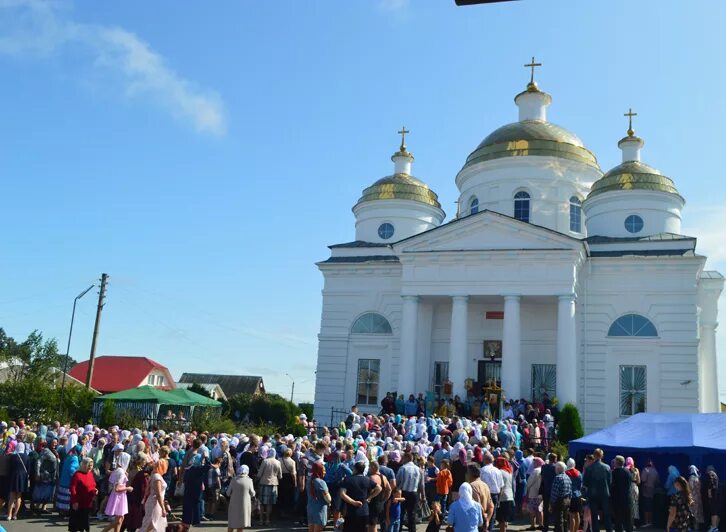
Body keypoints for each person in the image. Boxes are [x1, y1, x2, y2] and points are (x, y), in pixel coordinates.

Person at [340, 461, 382, 532]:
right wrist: (369, 498)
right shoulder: (367, 479)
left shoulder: (348, 479)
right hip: (364, 511)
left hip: (350, 512)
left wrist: (353, 502)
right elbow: (379, 488)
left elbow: (342, 494)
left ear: (355, 469)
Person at [102, 452, 133, 532]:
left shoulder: (117, 470)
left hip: (117, 496)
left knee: (120, 519)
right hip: (119, 496)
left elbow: (112, 483)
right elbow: (117, 488)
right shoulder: (121, 472)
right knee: (118, 519)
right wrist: (127, 488)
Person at [582, 448, 611, 532]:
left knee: (594, 516)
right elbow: (610, 482)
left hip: (593, 494)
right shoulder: (607, 467)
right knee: (606, 515)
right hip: (604, 494)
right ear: (602, 456)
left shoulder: (589, 468)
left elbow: (585, 483)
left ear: (594, 456)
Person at [68, 457, 97, 532]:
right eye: (88, 465)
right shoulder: (77, 475)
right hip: (78, 503)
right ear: (84, 465)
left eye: (91, 465)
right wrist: (75, 501)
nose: (90, 467)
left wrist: (95, 490)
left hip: (87, 502)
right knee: (76, 524)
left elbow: (92, 484)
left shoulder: (90, 474)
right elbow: (72, 488)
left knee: (85, 522)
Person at [396, 452, 421, 532]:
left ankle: (398, 529)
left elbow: (397, 481)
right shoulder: (418, 469)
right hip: (414, 493)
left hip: (403, 493)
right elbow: (421, 484)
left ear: (407, 458)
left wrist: (396, 490)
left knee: (401, 513)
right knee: (412, 514)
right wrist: (422, 496)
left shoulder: (403, 468)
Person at [140, 457, 168, 532]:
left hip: (155, 502)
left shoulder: (155, 475)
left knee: (153, 523)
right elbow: (158, 494)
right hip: (155, 503)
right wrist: (163, 508)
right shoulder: (157, 477)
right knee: (151, 523)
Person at [257, 447, 282, 526]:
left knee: (261, 503)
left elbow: (259, 474)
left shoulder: (265, 461)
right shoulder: (278, 462)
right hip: (273, 484)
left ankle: (261, 520)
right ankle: (267, 520)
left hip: (263, 483)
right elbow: (280, 476)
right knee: (269, 504)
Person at [227, 464, 255, 532]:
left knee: (231, 523)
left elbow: (228, 493)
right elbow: (252, 493)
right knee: (240, 525)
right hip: (244, 505)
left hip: (233, 505)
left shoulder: (234, 480)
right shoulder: (249, 480)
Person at [31, 440, 57, 514]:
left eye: (56, 443)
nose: (55, 444)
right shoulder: (46, 451)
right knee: (42, 493)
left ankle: (43, 508)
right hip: (45, 475)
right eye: (53, 443)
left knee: (48, 493)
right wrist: (38, 474)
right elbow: (38, 462)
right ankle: (36, 508)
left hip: (51, 476)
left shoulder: (54, 451)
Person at [479, 453, 503, 532]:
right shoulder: (498, 471)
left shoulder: (482, 470)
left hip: (484, 495)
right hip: (495, 495)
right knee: (492, 516)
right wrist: (499, 499)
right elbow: (501, 486)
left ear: (485, 460)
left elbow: (479, 484)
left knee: (483, 515)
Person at [122, 457, 148, 532]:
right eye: (144, 460)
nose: (145, 462)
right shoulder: (137, 472)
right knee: (132, 516)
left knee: (130, 516)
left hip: (133, 496)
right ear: (140, 461)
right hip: (134, 496)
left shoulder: (137, 471)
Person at [467, 463, 494, 531]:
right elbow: (491, 506)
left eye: (467, 472)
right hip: (483, 520)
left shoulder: (471, 486)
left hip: (475, 522)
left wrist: (484, 520)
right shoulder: (485, 485)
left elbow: (477, 506)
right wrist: (487, 520)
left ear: (470, 473)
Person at [57, 444, 81, 516]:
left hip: (63, 479)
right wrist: (76, 476)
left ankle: (61, 511)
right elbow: (72, 469)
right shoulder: (75, 458)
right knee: (67, 497)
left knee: (63, 496)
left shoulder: (68, 456)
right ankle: (66, 512)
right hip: (69, 481)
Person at [610, 456, 633, 532]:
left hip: (617, 500)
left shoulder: (614, 473)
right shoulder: (628, 472)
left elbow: (611, 485)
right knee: (628, 520)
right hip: (627, 498)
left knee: (618, 521)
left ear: (616, 463)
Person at [307, 461, 331, 532]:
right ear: (319, 470)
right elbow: (328, 499)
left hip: (310, 507)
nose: (325, 472)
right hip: (320, 509)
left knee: (311, 528)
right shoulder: (321, 482)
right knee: (318, 528)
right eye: (323, 470)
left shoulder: (309, 480)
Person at [549, 462, 572, 532]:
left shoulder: (557, 478)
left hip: (559, 501)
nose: (555, 470)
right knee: (565, 520)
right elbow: (570, 490)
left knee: (559, 521)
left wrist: (551, 504)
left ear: (558, 469)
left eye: (555, 468)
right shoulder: (568, 477)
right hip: (567, 500)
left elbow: (554, 492)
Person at [494, 456, 514, 532]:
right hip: (509, 496)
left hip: (502, 497)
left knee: (502, 519)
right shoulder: (508, 471)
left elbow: (500, 486)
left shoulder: (500, 472)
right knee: (505, 519)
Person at [638, 459, 659, 528]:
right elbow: (657, 482)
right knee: (650, 506)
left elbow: (643, 480)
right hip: (652, 491)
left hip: (646, 490)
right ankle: (651, 521)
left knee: (646, 506)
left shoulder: (645, 470)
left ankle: (647, 522)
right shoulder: (655, 471)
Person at [525, 457, 544, 531]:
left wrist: (527, 489)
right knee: (540, 509)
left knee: (532, 509)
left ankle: (532, 525)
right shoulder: (543, 469)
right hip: (540, 493)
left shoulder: (535, 470)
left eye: (534, 462)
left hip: (533, 493)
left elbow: (529, 482)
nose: (533, 463)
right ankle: (541, 524)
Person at [540, 453, 557, 532]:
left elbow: (542, 478)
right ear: (555, 459)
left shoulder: (543, 467)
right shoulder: (555, 467)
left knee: (545, 509)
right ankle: (555, 526)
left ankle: (545, 527)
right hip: (554, 491)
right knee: (555, 510)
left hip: (546, 490)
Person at [564, 459, 582, 532]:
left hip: (570, 496)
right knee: (577, 514)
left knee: (571, 516)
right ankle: (576, 530)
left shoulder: (566, 473)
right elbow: (580, 485)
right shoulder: (579, 473)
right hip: (578, 495)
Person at [702, 465, 720, 532]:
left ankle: (714, 527)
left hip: (712, 497)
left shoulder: (711, 475)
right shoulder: (716, 476)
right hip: (715, 496)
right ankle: (714, 527)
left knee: (713, 512)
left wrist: (709, 495)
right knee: (714, 512)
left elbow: (710, 486)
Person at [686, 465, 703, 529]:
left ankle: (690, 527)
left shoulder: (691, 478)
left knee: (691, 512)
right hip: (698, 497)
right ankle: (696, 527)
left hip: (692, 497)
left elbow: (690, 488)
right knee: (697, 512)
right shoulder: (698, 478)